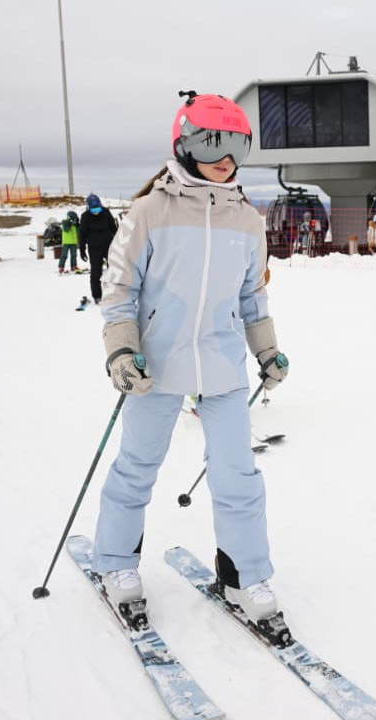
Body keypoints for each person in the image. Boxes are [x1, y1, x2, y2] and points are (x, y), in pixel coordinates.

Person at [92, 91, 291, 630]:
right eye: (211, 142)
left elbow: (253, 298)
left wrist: (267, 351)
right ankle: (114, 564)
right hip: (154, 366)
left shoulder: (247, 220)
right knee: (136, 468)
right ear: (183, 144)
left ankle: (243, 577)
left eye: (236, 145)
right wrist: (121, 349)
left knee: (238, 477)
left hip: (222, 366)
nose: (225, 157)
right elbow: (119, 289)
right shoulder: (150, 211)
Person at [78, 193, 118, 304]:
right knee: (96, 272)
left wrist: (119, 243)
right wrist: (82, 250)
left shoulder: (106, 213)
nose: (96, 211)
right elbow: (82, 234)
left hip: (109, 246)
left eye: (97, 208)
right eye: (93, 209)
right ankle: (97, 296)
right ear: (89, 207)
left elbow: (114, 229)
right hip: (94, 248)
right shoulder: (85, 216)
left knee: (115, 269)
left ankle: (116, 293)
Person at [58, 210, 81, 274]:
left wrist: (77, 224)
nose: (74, 220)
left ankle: (74, 266)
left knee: (74, 255)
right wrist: (70, 222)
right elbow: (66, 229)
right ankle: (61, 267)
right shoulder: (65, 222)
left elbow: (79, 231)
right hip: (66, 242)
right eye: (73, 218)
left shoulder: (75, 224)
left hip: (74, 242)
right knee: (64, 255)